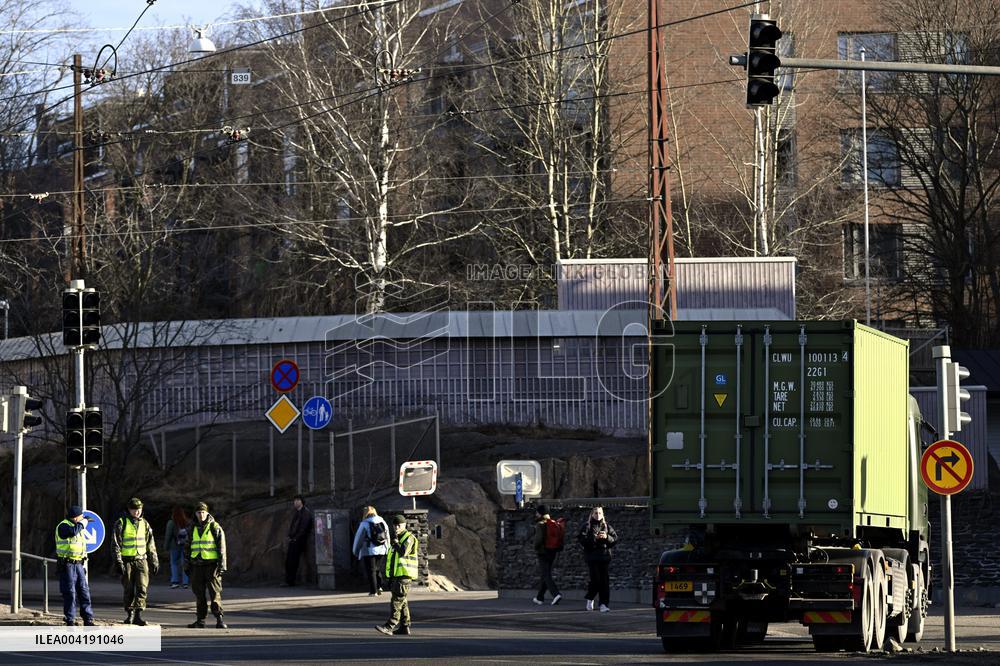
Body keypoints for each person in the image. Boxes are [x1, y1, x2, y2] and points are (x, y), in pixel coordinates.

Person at [112, 497, 158, 625]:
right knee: (128, 588)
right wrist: (118, 561)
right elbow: (115, 544)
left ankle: (138, 614)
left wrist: (154, 561)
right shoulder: (121, 523)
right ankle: (130, 614)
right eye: (134, 509)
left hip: (141, 560)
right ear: (129, 510)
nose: (136, 512)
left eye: (139, 509)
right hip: (127, 561)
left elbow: (150, 544)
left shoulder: (145, 524)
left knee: (142, 588)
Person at [184, 501, 228, 629]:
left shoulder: (214, 527)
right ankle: (200, 620)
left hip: (211, 566)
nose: (201, 515)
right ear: (195, 514)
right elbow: (187, 547)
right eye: (199, 513)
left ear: (207, 513)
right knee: (199, 595)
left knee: (215, 594)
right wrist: (186, 564)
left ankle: (219, 619)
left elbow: (222, 547)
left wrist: (222, 565)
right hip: (196, 566)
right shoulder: (192, 528)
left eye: (203, 512)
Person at [375, 515, 418, 636]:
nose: (396, 527)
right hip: (397, 575)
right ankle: (404, 626)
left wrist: (396, 543)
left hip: (405, 575)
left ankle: (390, 625)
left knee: (396, 601)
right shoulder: (397, 538)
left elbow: (404, 552)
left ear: (405, 525)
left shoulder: (409, 538)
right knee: (402, 601)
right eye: (395, 525)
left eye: (399, 525)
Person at [55, 505, 96, 626]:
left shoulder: (77, 526)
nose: (83, 518)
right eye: (81, 517)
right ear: (76, 518)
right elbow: (72, 532)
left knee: (84, 592)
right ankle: (70, 619)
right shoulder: (63, 526)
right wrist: (84, 522)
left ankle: (88, 619)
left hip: (78, 564)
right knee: (70, 593)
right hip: (67, 564)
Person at [578, 506, 617, 613]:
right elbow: (582, 540)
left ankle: (604, 604)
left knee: (604, 581)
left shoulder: (607, 526)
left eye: (600, 513)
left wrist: (606, 537)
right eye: (595, 513)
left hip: (604, 557)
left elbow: (614, 540)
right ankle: (590, 597)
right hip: (592, 558)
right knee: (595, 580)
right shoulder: (587, 526)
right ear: (592, 514)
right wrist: (594, 538)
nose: (598, 515)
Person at [352, 505, 389, 596]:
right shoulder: (383, 522)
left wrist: (355, 551)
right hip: (382, 549)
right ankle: (379, 587)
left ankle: (373, 591)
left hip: (369, 550)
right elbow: (387, 536)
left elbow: (358, 539)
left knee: (371, 570)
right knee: (377, 569)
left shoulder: (364, 524)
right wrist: (387, 548)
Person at [531, 504, 562, 606]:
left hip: (543, 552)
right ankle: (540, 597)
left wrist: (535, 547)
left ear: (540, 513)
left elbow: (538, 539)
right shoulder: (552, 523)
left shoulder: (540, 524)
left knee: (546, 574)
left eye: (537, 512)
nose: (536, 514)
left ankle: (556, 594)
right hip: (552, 551)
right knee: (545, 574)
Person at [283, 495, 313, 587]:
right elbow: (293, 526)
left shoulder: (306, 513)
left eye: (298, 500)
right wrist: (290, 536)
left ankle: (290, 581)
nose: (295, 502)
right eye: (294, 500)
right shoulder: (297, 512)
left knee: (293, 561)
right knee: (289, 561)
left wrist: (295, 538)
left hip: (299, 541)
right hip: (294, 540)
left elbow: (303, 529)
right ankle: (289, 580)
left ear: (302, 501)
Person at [164, 507, 190, 589]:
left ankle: (175, 582)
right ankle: (185, 583)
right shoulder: (186, 522)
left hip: (174, 546)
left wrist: (166, 546)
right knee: (184, 564)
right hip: (185, 545)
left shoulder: (171, 523)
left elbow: (168, 535)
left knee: (174, 563)